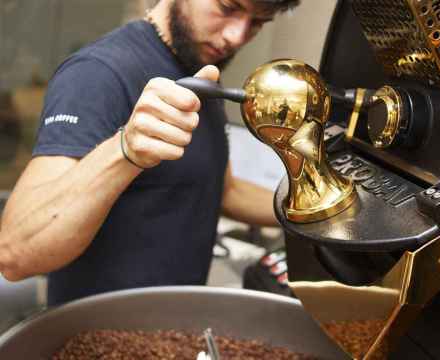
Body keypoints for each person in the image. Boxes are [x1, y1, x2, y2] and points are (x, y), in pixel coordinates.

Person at [0, 0, 300, 305]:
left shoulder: (200, 73)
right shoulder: (98, 73)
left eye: (258, 23)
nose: (236, 37)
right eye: (227, 7)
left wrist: (316, 212)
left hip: (169, 330)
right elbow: (15, 254)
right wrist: (124, 149)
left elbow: (225, 191)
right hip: (96, 338)